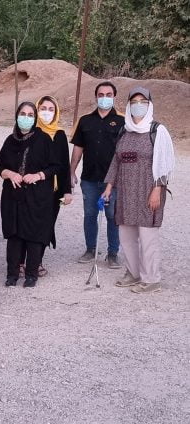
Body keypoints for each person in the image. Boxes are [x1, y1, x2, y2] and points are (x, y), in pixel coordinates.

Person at [102, 87, 174, 294]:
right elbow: (116, 161)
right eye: (134, 101)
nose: (138, 105)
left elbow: (165, 163)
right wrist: (108, 187)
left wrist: (157, 190)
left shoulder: (157, 131)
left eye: (143, 101)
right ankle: (133, 273)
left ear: (149, 104)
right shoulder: (125, 130)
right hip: (126, 193)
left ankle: (151, 279)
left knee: (147, 236)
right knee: (126, 236)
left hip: (148, 191)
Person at [0, 102, 59, 288]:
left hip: (37, 194)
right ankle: (12, 274)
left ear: (35, 118)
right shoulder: (10, 140)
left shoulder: (44, 139)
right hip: (13, 194)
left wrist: (38, 175)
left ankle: (31, 274)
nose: (26, 118)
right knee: (14, 234)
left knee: (33, 234)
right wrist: (9, 174)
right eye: (23, 114)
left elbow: (55, 166)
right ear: (17, 116)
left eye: (30, 115)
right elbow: (0, 166)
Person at [70, 81, 124, 268]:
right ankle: (90, 249)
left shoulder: (122, 122)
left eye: (109, 95)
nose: (104, 98)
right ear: (96, 97)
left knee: (112, 216)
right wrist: (72, 171)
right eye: (101, 95)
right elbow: (78, 148)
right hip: (89, 179)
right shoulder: (85, 121)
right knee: (90, 214)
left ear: (114, 97)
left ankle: (112, 253)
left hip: (113, 180)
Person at [20, 96, 73, 277]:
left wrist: (67, 191)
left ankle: (36, 262)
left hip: (52, 190)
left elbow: (64, 165)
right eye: (43, 108)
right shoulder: (29, 131)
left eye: (51, 109)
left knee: (45, 226)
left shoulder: (59, 134)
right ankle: (20, 261)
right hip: (29, 188)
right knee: (25, 224)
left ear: (56, 112)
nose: (46, 112)